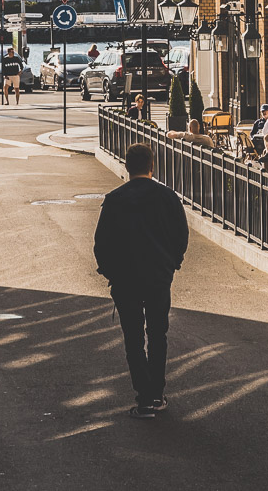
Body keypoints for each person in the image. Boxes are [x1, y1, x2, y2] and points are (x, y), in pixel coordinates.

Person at [93, 142, 189, 419]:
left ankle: (144, 397)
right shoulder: (168, 198)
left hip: (125, 279)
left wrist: (109, 272)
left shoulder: (114, 200)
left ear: (126, 166)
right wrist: (173, 264)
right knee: (158, 334)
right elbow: (180, 236)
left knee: (133, 339)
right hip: (158, 275)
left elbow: (102, 243)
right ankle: (157, 393)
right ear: (151, 166)